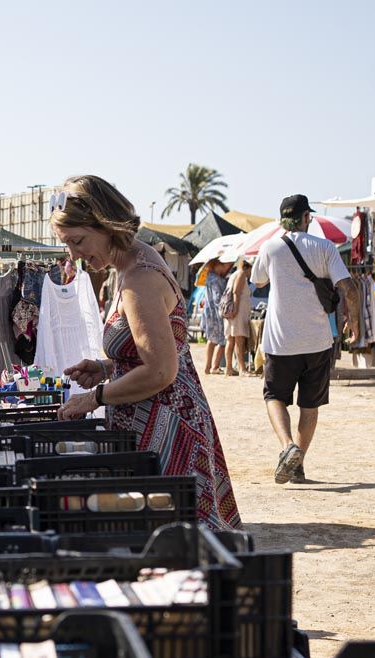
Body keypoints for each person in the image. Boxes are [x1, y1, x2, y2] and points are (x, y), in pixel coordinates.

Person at [53, 175, 241, 529]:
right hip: (157, 422)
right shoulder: (127, 265)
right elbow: (150, 350)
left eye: (77, 242)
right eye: (67, 246)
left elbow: (160, 371)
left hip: (166, 430)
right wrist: (107, 366)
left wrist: (94, 397)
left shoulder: (139, 276)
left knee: (174, 542)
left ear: (105, 224)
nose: (73, 255)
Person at [251, 194, 360, 484]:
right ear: (305, 218)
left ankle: (288, 447)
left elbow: (257, 280)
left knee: (274, 396)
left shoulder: (270, 247)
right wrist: (355, 321)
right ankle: (298, 465)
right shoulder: (325, 247)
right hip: (318, 342)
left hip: (280, 341)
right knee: (309, 405)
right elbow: (348, 286)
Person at [222, 258, 253, 376]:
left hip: (232, 312)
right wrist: (235, 308)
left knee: (230, 339)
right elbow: (236, 292)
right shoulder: (241, 274)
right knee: (239, 340)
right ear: (247, 267)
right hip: (237, 312)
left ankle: (229, 368)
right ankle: (242, 369)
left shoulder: (234, 274)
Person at [201, 259, 229, 374]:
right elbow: (217, 297)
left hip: (208, 311)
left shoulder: (208, 278)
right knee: (222, 340)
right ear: (217, 265)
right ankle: (215, 366)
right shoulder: (216, 280)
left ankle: (207, 367)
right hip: (216, 312)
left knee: (211, 339)